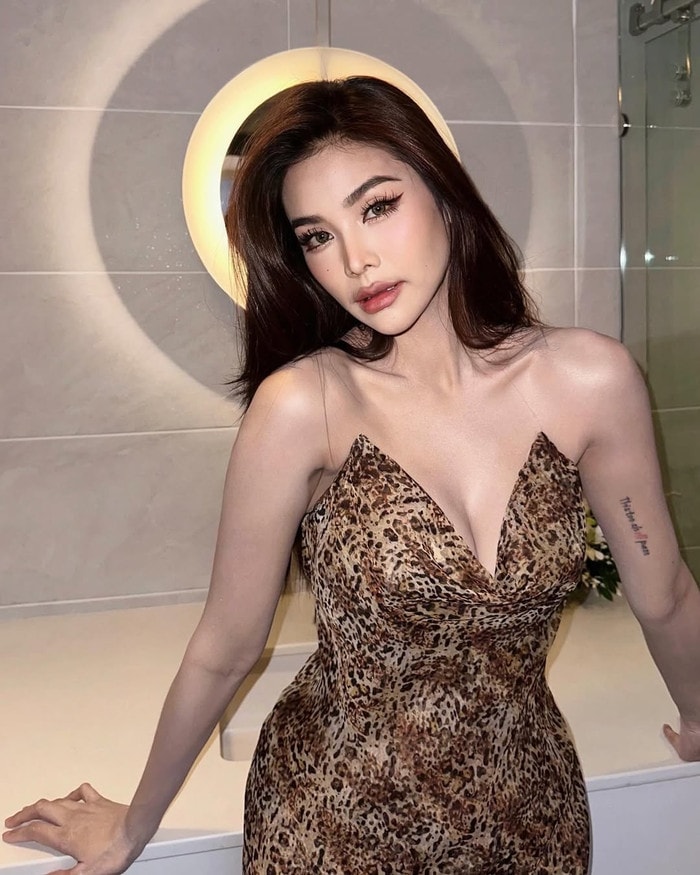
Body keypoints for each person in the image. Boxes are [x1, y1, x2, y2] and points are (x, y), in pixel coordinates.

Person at [4, 75, 700, 874]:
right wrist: (132, 826)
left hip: (527, 816)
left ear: (444, 194)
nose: (356, 260)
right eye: (316, 237)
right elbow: (225, 647)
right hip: (333, 822)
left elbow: (665, 592)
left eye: (377, 207)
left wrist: (698, 714)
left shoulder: (589, 380)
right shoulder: (306, 405)